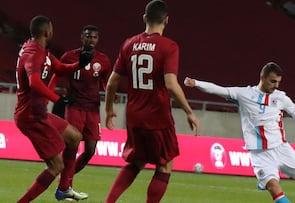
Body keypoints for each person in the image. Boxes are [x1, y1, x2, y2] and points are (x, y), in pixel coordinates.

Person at [184, 62, 295, 203]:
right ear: (262, 77)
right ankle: (266, 181)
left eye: (278, 82)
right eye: (273, 81)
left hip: (281, 148)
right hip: (259, 153)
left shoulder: (281, 98)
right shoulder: (243, 94)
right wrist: (196, 83)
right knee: (274, 188)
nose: (276, 85)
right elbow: (218, 89)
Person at [104, 1, 200, 202]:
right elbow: (171, 84)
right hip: (157, 115)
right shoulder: (169, 46)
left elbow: (112, 82)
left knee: (136, 161)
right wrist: (189, 111)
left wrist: (109, 109)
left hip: (134, 116)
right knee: (164, 165)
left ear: (144, 18)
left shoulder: (128, 43)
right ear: (166, 20)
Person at [14, 15, 92, 202]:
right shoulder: (33, 53)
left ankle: (64, 189)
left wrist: (79, 65)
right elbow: (34, 82)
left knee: (74, 137)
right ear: (47, 32)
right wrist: (57, 99)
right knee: (56, 165)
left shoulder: (42, 51)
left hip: (39, 113)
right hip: (32, 117)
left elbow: (60, 68)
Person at [49, 25, 112, 193]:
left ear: (98, 40)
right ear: (81, 38)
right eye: (87, 36)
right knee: (72, 146)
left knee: (90, 150)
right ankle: (65, 185)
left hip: (93, 109)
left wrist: (110, 101)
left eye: (94, 37)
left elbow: (107, 83)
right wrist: (50, 94)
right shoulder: (69, 56)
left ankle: (65, 178)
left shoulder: (103, 60)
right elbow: (56, 75)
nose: (91, 40)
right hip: (75, 107)